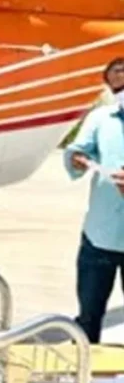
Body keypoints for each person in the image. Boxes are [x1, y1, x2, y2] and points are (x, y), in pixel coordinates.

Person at [63, 56, 124, 343]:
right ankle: (86, 368)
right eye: (116, 75)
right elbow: (79, 150)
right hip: (99, 235)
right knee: (88, 317)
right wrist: (76, 158)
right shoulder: (100, 118)